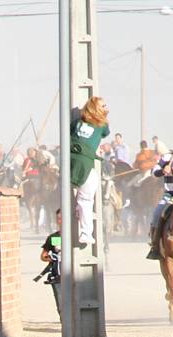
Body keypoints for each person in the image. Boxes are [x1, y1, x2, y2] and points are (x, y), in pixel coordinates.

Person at [70, 97, 111, 250]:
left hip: (70, 160)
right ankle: (86, 233)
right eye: (103, 105)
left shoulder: (77, 122)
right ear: (96, 108)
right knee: (86, 199)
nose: (106, 107)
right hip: (86, 162)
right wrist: (105, 114)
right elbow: (106, 132)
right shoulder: (102, 124)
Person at [38, 208, 63, 318]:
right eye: (58, 218)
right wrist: (52, 259)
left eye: (63, 218)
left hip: (75, 275)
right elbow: (43, 255)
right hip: (58, 276)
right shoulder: (54, 237)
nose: (60, 221)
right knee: (61, 304)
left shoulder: (78, 236)